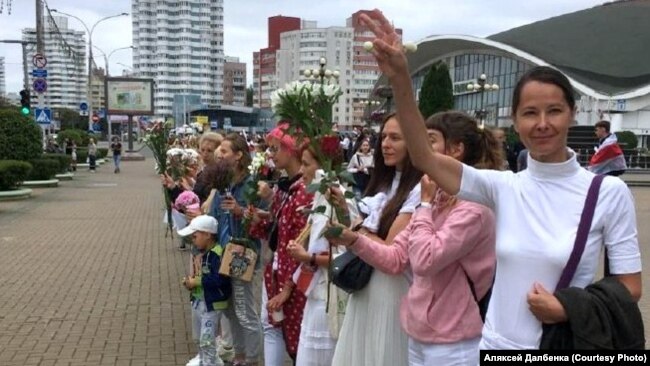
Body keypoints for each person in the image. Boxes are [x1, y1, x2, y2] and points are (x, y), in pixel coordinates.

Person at [360, 9, 641, 350]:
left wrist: (567, 307)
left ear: (572, 113)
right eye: (529, 113)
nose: (542, 123)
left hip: (554, 347)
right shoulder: (503, 187)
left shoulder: (607, 192)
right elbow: (423, 157)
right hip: (492, 345)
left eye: (553, 111)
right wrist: (401, 78)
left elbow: (630, 285)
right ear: (515, 120)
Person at [327, 112, 499, 365]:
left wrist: (425, 206)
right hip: (420, 333)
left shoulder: (472, 208)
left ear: (456, 150)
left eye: (429, 142)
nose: (420, 150)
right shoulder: (439, 199)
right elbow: (395, 257)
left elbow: (424, 260)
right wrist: (352, 239)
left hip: (453, 339)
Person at [329, 113, 423, 366]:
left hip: (392, 289)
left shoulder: (417, 190)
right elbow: (365, 233)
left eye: (395, 138)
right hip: (368, 284)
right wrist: (344, 209)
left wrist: (357, 230)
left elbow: (390, 250)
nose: (386, 144)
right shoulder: (386, 181)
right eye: (383, 137)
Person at [286, 145, 358, 366]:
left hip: (330, 298)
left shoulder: (340, 200)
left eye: (307, 164)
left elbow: (348, 257)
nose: (301, 170)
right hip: (316, 294)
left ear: (324, 169)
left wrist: (308, 258)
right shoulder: (319, 199)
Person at [249, 123, 314, 365]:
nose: (271, 154)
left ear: (291, 149)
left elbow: (305, 241)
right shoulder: (286, 188)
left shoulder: (304, 191)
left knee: (296, 336)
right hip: (276, 269)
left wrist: (289, 285)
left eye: (275, 148)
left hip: (293, 276)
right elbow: (278, 230)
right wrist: (259, 217)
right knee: (272, 325)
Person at [208, 133, 263, 366]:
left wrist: (241, 212)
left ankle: (252, 359)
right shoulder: (224, 184)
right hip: (223, 254)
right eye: (218, 150)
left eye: (224, 150)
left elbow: (262, 223)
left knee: (244, 310)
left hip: (242, 253)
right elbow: (214, 218)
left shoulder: (252, 185)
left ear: (239, 155)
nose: (218, 154)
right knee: (230, 311)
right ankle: (239, 356)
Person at [179, 215, 232, 366]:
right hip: (200, 301)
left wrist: (196, 281)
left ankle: (210, 362)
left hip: (212, 305)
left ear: (208, 235)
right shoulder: (204, 253)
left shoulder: (217, 254)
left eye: (195, 236)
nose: (193, 240)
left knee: (207, 340)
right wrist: (191, 284)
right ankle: (204, 359)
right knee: (199, 337)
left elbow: (220, 280)